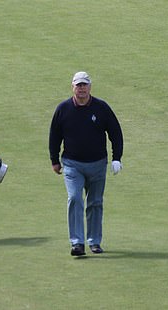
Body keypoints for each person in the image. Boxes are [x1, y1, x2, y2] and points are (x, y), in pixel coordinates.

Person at [49, 71, 124, 256]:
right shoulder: (63, 109)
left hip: (98, 164)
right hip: (72, 164)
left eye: (84, 85)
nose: (81, 88)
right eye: (78, 85)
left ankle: (94, 242)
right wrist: (54, 160)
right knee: (74, 199)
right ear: (72, 87)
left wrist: (117, 158)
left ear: (90, 87)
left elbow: (115, 132)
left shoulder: (101, 108)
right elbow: (54, 136)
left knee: (95, 203)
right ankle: (77, 243)